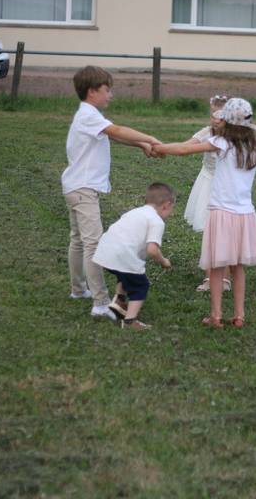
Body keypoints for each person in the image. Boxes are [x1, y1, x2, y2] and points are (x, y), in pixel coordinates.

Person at [154, 97, 256, 328]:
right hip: (245, 215)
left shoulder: (221, 143)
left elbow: (184, 149)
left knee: (217, 267)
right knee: (238, 267)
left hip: (221, 213)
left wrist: (158, 148)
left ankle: (216, 316)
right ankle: (239, 316)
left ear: (226, 121)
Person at [60, 65, 162, 321]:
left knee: (79, 240)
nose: (111, 95)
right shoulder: (88, 114)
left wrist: (141, 144)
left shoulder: (88, 115)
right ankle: (100, 302)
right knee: (94, 243)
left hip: (75, 187)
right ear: (92, 91)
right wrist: (150, 137)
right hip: (83, 189)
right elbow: (115, 130)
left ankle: (78, 289)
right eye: (107, 90)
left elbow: (112, 137)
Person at [92, 183, 175, 331]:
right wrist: (164, 262)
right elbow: (152, 250)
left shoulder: (135, 212)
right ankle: (130, 321)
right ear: (166, 205)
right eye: (172, 209)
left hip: (105, 251)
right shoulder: (156, 221)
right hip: (123, 255)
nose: (172, 213)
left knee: (124, 273)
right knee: (140, 285)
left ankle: (120, 300)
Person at [184, 94, 233, 293]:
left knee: (226, 233)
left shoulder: (237, 137)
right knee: (210, 231)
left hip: (228, 187)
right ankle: (209, 277)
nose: (215, 119)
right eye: (212, 115)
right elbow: (187, 145)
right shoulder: (206, 133)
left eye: (219, 116)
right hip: (208, 183)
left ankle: (226, 278)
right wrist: (160, 148)